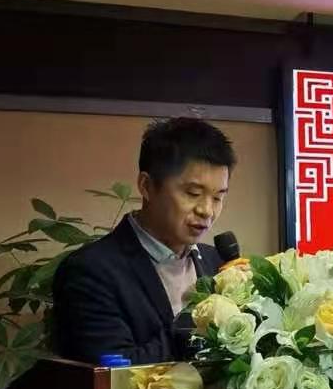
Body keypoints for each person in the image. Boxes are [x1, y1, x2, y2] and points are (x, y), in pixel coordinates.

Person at [52, 117, 235, 364]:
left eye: (217, 197)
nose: (207, 210)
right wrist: (196, 324)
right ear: (147, 186)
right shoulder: (90, 271)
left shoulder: (217, 262)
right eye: (193, 193)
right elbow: (114, 375)